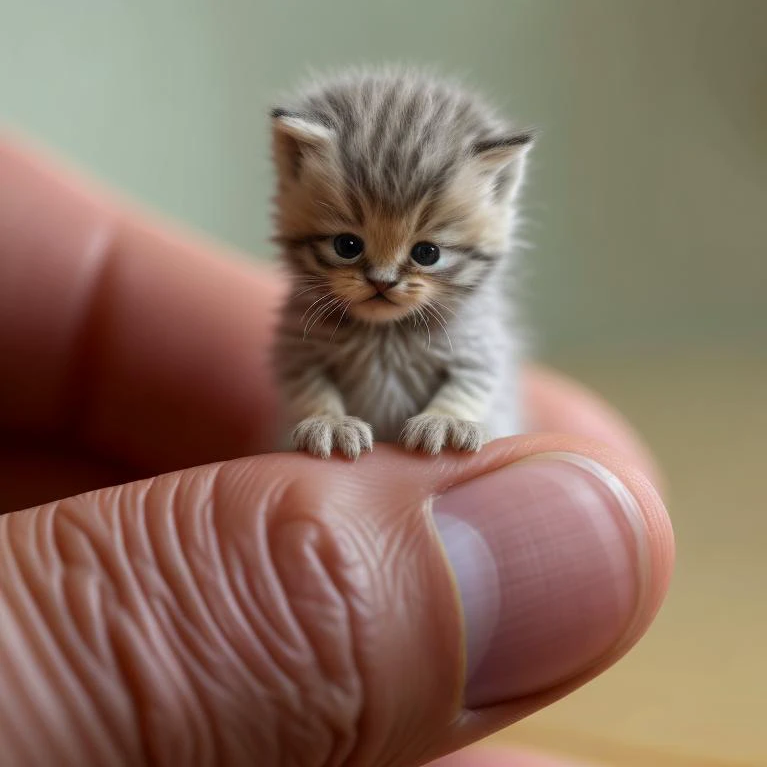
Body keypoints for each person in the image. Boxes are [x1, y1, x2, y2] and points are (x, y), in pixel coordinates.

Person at [0, 137, 674, 766]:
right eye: (349, 247)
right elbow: (301, 379)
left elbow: (476, 377)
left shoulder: (465, 325)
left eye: (425, 253)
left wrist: (452, 412)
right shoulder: (311, 322)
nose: (383, 276)